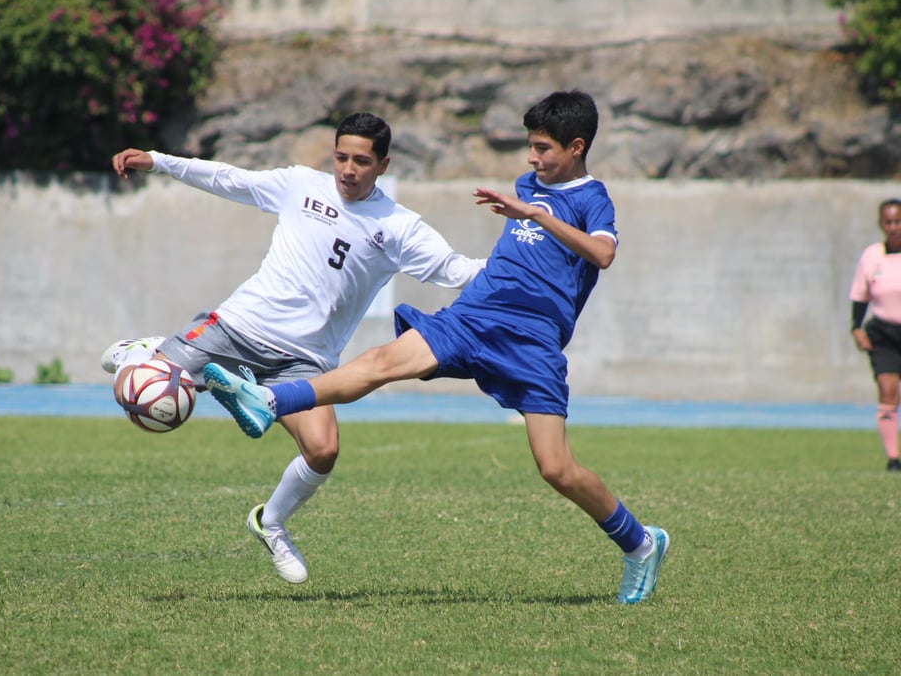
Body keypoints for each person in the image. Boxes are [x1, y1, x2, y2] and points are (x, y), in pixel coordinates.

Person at [203, 90, 670, 604]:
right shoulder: (527, 184)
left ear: (577, 147)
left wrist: (535, 216)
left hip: (533, 338)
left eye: (542, 148)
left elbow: (602, 254)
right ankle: (270, 400)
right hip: (478, 312)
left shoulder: (590, 197)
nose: (532, 158)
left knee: (556, 468)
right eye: (530, 147)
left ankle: (641, 544)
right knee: (384, 361)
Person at [102, 112, 486, 583]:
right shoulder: (301, 185)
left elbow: (458, 271)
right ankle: (144, 352)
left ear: (383, 164)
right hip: (238, 329)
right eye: (341, 157)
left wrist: (534, 263)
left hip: (306, 360)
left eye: (361, 161)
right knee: (142, 396)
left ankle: (271, 523)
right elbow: (229, 179)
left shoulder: (401, 228)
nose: (347, 169)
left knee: (323, 450)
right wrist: (159, 161)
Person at [850, 198, 901, 472]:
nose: (893, 227)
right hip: (883, 332)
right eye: (888, 222)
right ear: (881, 224)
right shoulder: (872, 256)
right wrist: (856, 328)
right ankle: (893, 459)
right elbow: (860, 296)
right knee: (888, 391)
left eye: (898, 221)